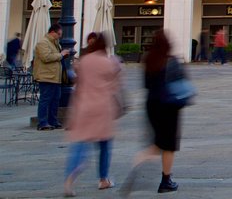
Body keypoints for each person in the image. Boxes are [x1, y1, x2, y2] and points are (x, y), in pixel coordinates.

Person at [124, 29, 183, 194]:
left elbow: (146, 85)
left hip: (152, 104)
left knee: (157, 143)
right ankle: (166, 180)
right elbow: (181, 83)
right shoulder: (171, 61)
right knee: (168, 145)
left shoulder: (148, 60)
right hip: (170, 106)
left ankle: (139, 160)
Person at [63, 32, 121, 195]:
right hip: (103, 108)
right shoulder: (108, 63)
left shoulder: (84, 61)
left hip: (84, 107)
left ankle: (69, 180)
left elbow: (76, 82)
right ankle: (103, 179)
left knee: (79, 144)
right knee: (105, 145)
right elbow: (115, 87)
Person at [34, 23, 69, 131]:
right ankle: (43, 122)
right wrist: (61, 54)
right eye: (58, 34)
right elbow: (46, 57)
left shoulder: (55, 44)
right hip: (46, 77)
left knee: (55, 100)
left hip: (55, 77)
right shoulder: (43, 43)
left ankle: (53, 121)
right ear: (52, 32)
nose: (59, 36)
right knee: (45, 100)